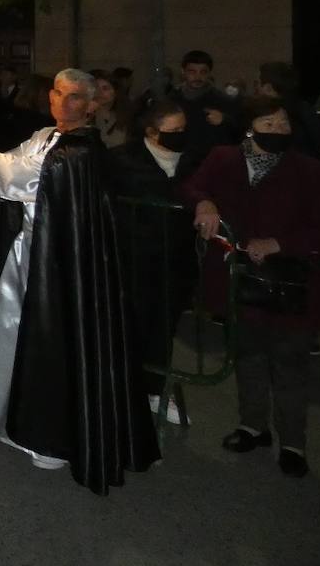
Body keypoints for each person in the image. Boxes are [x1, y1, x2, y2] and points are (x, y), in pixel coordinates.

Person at [0, 69, 159, 493]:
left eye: (76, 97)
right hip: (26, 252)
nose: (66, 104)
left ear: (91, 104)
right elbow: (5, 172)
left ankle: (51, 437)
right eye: (60, 95)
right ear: (50, 97)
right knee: (6, 329)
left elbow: (19, 178)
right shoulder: (44, 136)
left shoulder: (80, 151)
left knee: (54, 341)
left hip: (62, 263)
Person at [183, 96, 320, 478]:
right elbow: (194, 187)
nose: (279, 131)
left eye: (284, 124)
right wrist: (204, 204)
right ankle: (253, 426)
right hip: (240, 279)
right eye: (270, 124)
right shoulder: (223, 158)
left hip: (290, 282)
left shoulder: (309, 169)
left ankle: (293, 442)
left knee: (290, 363)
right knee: (247, 356)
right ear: (250, 128)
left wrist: (280, 244)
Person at [108, 99, 198, 423]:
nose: (180, 135)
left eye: (183, 129)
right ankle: (125, 391)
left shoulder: (193, 160)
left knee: (163, 328)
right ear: (151, 131)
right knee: (132, 327)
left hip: (176, 261)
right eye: (173, 130)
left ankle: (156, 391)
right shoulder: (123, 160)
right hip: (135, 260)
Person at [175, 50, 242, 162]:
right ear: (183, 72)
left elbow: (238, 132)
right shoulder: (172, 99)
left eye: (203, 72)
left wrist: (224, 120)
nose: (198, 77)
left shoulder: (223, 101)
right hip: (177, 161)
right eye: (192, 72)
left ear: (209, 73)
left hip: (210, 163)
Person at [90, 69, 130, 149]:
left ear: (115, 91)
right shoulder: (85, 115)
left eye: (105, 88)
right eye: (96, 88)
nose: (99, 93)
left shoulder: (128, 115)